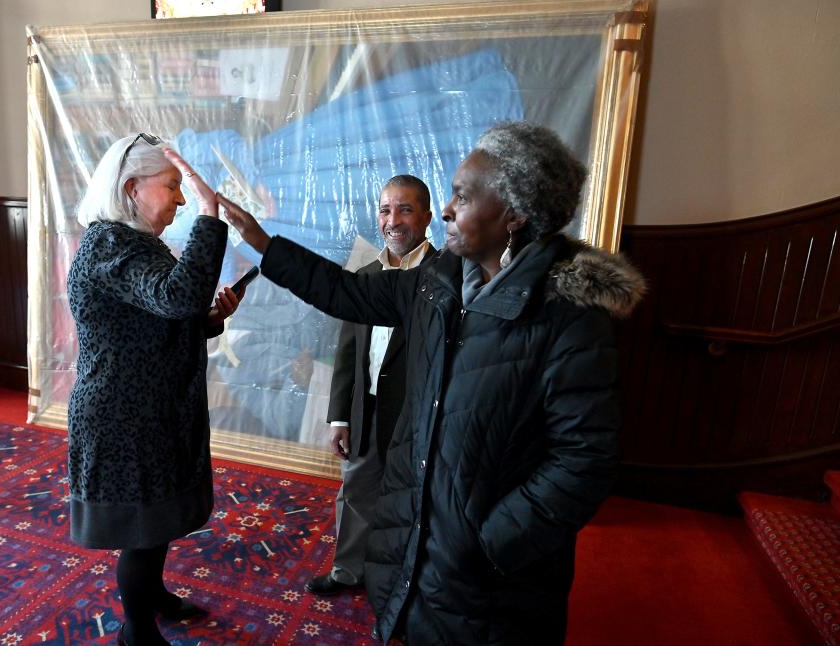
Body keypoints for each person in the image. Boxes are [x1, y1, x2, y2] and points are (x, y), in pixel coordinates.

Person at [218, 121, 645, 645]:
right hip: (417, 537)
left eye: (461, 197)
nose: (445, 210)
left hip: (491, 573)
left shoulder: (569, 316)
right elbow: (345, 292)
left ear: (514, 215)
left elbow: (585, 459)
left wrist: (492, 540)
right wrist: (263, 242)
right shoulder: (436, 283)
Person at [67, 133, 243, 646]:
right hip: (123, 416)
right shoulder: (109, 245)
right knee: (141, 533)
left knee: (157, 521)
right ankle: (136, 632)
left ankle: (153, 597)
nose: (182, 199)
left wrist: (206, 318)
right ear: (131, 188)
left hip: (149, 409)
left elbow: (164, 315)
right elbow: (174, 296)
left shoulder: (134, 243)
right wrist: (211, 216)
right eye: (172, 187)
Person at [306, 175, 436, 597]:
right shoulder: (363, 276)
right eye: (385, 210)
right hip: (368, 407)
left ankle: (406, 581)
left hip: (418, 413)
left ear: (427, 217)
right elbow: (348, 354)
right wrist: (339, 416)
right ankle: (348, 571)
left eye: (405, 209)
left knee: (413, 501)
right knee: (356, 491)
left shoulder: (446, 278)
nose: (392, 220)